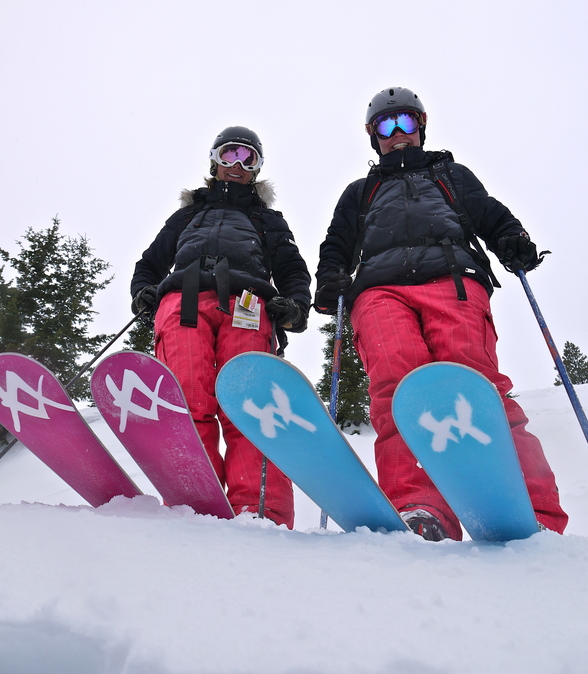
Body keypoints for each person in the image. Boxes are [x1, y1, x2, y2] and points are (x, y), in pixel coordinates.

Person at [315, 87, 568, 541]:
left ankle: (531, 512)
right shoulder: (362, 191)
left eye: (405, 123)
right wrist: (330, 277)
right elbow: (337, 243)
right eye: (386, 128)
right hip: (379, 290)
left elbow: (488, 212)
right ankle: (420, 508)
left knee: (475, 386)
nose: (397, 135)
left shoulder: (450, 174)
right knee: (397, 385)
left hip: (451, 278)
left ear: (422, 125)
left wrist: (510, 237)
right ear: (373, 137)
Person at [131, 126, 311, 528]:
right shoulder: (189, 214)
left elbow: (293, 270)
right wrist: (144, 292)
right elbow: (150, 264)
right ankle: (195, 502)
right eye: (229, 155)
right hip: (184, 299)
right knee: (188, 397)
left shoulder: (267, 220)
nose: (237, 165)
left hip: (248, 303)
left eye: (248, 158)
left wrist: (295, 306)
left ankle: (261, 510)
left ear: (257, 168)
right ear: (213, 161)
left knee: (248, 405)